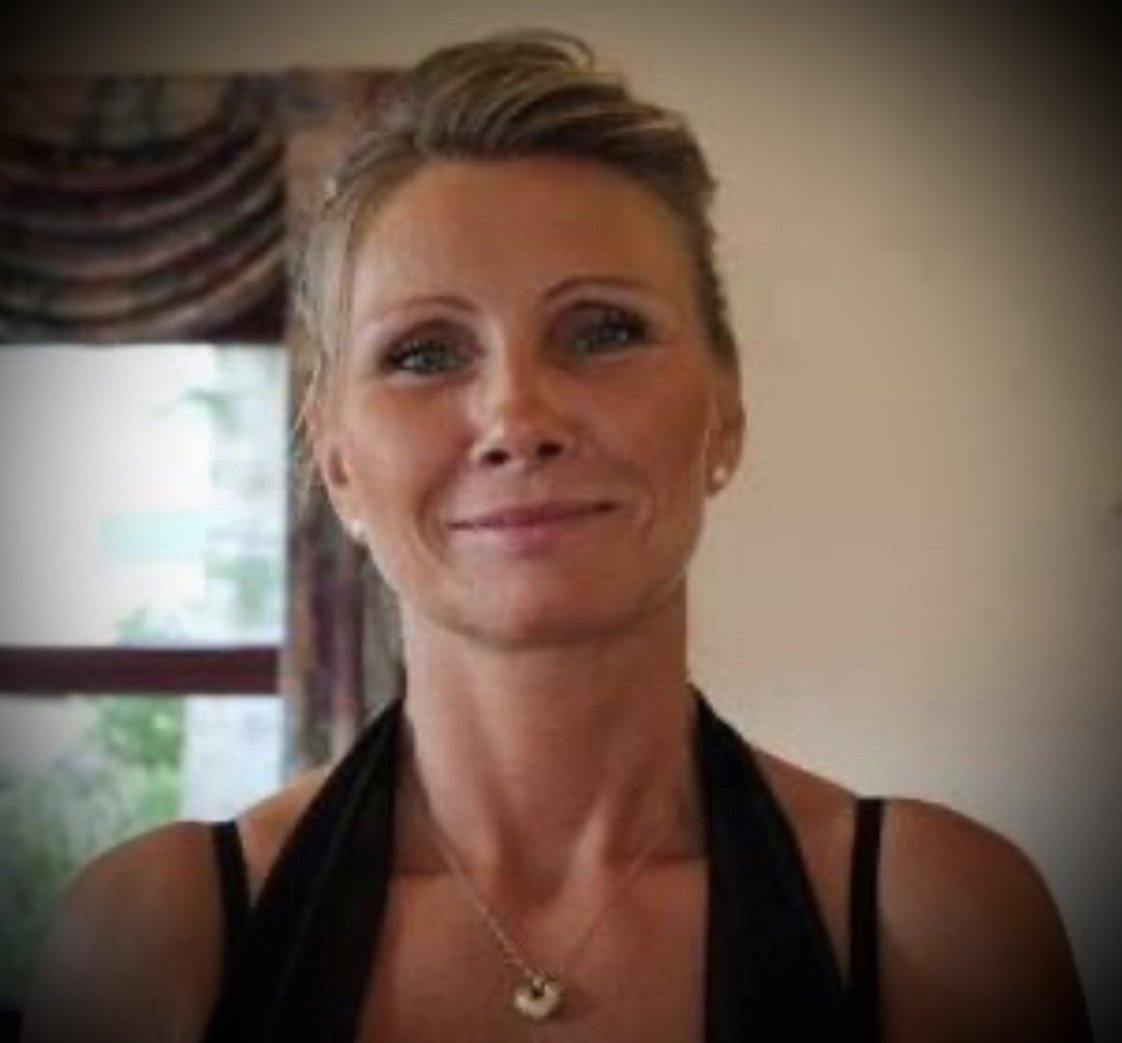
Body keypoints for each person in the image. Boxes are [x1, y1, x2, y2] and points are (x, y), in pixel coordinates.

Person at [21, 29, 1092, 1043]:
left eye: (604, 331)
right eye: (425, 353)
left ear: (725, 412)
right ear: (337, 458)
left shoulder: (940, 921)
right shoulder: (153, 938)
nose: (517, 418)